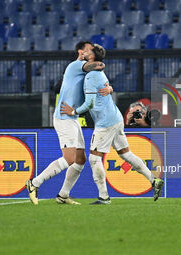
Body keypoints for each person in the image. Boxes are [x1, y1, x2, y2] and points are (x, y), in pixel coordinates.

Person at [61, 44, 164, 204]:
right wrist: (110, 88)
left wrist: (73, 112)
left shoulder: (91, 76)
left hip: (105, 123)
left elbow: (89, 103)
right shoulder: (99, 72)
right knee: (125, 154)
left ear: (93, 57)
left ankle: (104, 197)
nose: (85, 52)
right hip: (115, 118)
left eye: (89, 51)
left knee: (94, 159)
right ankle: (153, 180)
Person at [26, 41, 112, 205]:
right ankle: (34, 183)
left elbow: (102, 79)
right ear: (81, 52)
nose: (89, 51)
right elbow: (100, 64)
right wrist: (94, 61)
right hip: (64, 117)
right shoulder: (76, 65)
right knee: (70, 158)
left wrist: (110, 88)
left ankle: (63, 195)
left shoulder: (87, 70)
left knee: (80, 160)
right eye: (87, 49)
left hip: (72, 118)